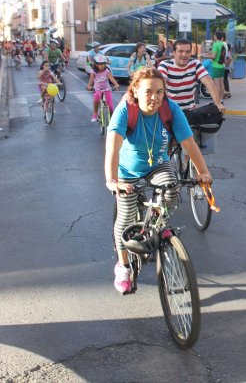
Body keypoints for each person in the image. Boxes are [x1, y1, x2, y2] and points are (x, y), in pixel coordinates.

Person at [105, 67, 213, 293]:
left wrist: (203, 173)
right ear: (135, 90)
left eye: (159, 92)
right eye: (148, 92)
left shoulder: (170, 109)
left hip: (158, 165)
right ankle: (123, 265)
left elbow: (189, 143)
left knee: (172, 187)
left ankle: (156, 221)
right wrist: (112, 180)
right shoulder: (126, 110)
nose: (154, 97)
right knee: (125, 217)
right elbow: (112, 147)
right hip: (128, 171)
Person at [158, 39, 225, 114]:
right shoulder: (165, 65)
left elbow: (209, 82)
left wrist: (218, 103)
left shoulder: (195, 64)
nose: (184, 55)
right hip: (170, 111)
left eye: (187, 52)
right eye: (180, 51)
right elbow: (159, 85)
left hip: (190, 110)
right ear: (174, 53)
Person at [86, 54, 119, 122]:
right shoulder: (93, 72)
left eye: (104, 64)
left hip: (107, 89)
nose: (102, 66)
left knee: (110, 107)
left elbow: (112, 79)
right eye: (100, 64)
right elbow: (91, 81)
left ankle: (112, 119)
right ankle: (95, 113)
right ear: (96, 64)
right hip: (97, 90)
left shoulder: (107, 71)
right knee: (96, 100)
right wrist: (89, 86)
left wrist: (116, 84)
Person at [203, 30, 227, 101]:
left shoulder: (216, 44)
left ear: (216, 36)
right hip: (222, 66)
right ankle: (221, 99)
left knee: (216, 84)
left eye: (214, 35)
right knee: (221, 83)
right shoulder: (223, 44)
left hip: (216, 66)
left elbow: (213, 56)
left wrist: (205, 55)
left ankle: (217, 100)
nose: (214, 36)